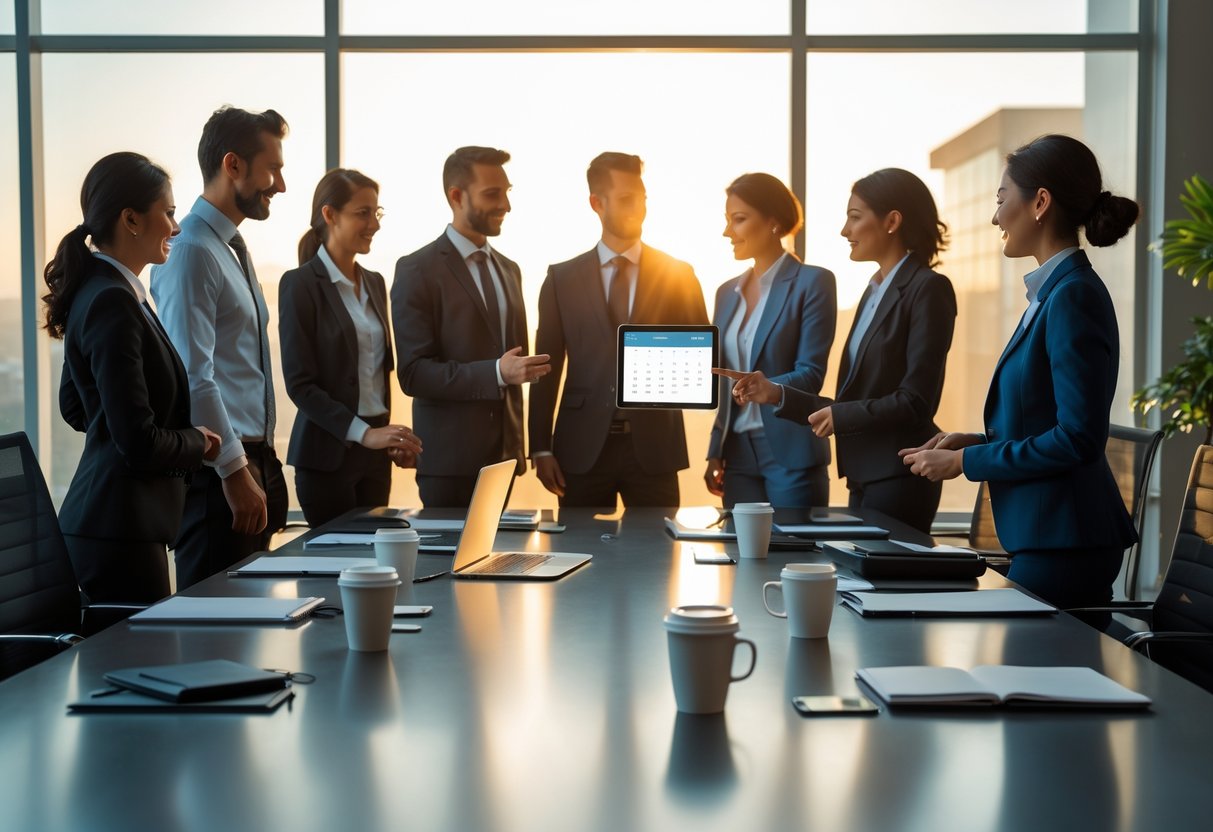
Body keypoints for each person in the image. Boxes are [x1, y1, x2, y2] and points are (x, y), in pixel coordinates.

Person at [899, 134, 1139, 608]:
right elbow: (1046, 423)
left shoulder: (1073, 296)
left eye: (1001, 199)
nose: (994, 216)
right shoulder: (1051, 295)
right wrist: (975, 444)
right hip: (1046, 537)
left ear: (1040, 203)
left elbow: (1077, 438)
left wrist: (966, 465)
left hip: (1066, 544)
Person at [723, 168, 956, 531]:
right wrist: (775, 393)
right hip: (865, 472)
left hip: (900, 473)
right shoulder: (874, 291)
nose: (845, 231)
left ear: (892, 221)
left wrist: (842, 417)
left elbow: (916, 401)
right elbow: (856, 400)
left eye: (854, 217)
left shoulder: (928, 289)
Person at [46, 152, 221, 602]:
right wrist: (198, 441)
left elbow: (75, 406)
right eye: (168, 212)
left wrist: (118, 424)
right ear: (131, 219)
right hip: (117, 534)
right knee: (142, 668)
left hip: (115, 529)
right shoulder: (114, 301)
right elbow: (139, 443)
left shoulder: (108, 292)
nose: (177, 227)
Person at [150, 106, 290, 589]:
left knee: (251, 634)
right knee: (214, 639)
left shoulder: (230, 247)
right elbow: (194, 373)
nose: (281, 185)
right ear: (233, 165)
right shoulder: (191, 250)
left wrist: (261, 466)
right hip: (219, 476)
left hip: (255, 461)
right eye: (273, 169)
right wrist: (234, 471)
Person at [529, 152, 709, 507]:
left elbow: (702, 360)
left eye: (642, 198)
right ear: (597, 203)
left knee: (658, 558)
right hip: (580, 448)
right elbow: (544, 370)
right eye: (627, 199)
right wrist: (539, 446)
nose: (638, 208)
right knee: (580, 558)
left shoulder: (678, 274)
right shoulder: (560, 279)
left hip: (655, 448)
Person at [392, 146, 550, 507]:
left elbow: (517, 367)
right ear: (456, 196)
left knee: (491, 564)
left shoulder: (510, 269)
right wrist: (495, 372)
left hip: (505, 460)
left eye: (507, 193)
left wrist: (519, 448)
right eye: (492, 194)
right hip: (449, 463)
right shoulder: (417, 269)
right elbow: (414, 374)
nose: (505, 205)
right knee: (447, 565)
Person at [278, 168, 423, 527]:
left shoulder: (374, 282)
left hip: (374, 459)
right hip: (326, 459)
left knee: (376, 570)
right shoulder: (299, 285)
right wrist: (366, 433)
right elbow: (300, 385)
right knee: (335, 573)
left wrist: (388, 438)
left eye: (377, 212)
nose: (374, 223)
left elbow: (375, 374)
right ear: (330, 215)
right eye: (363, 213)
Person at [704, 173, 836, 508]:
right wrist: (715, 449)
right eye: (726, 220)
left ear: (773, 222)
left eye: (739, 220)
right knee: (739, 555)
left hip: (790, 447)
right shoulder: (725, 293)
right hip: (737, 454)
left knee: (795, 555)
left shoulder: (813, 282)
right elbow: (723, 378)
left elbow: (810, 374)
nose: (726, 232)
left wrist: (769, 388)